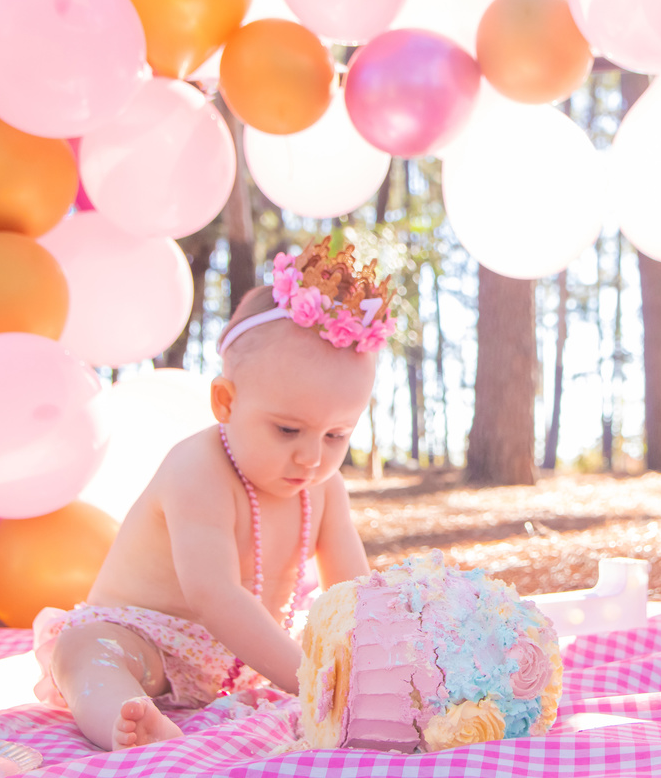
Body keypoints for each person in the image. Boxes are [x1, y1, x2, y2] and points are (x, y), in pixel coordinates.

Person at [33, 240, 397, 751]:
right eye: (288, 430)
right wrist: (312, 680)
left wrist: (382, 670)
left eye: (336, 435)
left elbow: (355, 596)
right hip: (145, 641)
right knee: (83, 650)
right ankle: (131, 723)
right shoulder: (198, 468)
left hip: (240, 664)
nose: (312, 457)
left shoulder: (324, 489)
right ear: (225, 402)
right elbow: (214, 595)